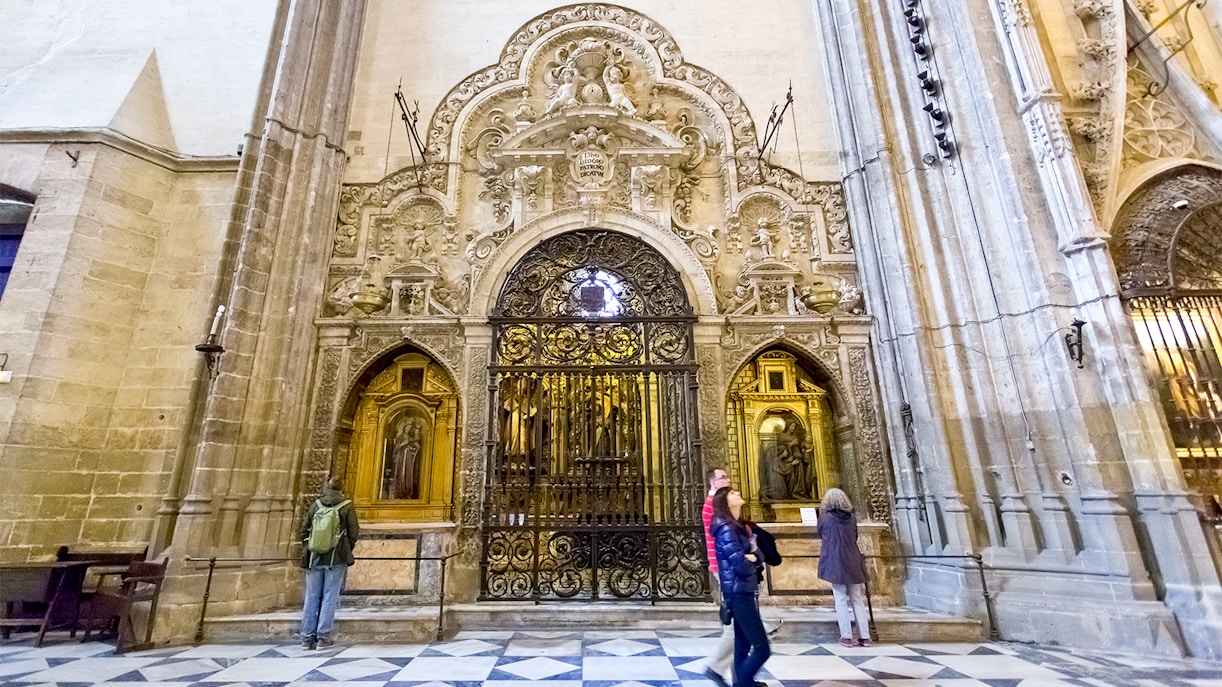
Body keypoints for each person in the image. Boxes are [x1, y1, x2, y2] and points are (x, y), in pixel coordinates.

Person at [711, 486, 771, 687]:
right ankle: (744, 682)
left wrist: (752, 558)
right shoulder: (727, 529)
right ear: (726, 502)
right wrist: (751, 559)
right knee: (762, 648)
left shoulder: (737, 526)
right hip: (739, 592)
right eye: (733, 493)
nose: (738, 494)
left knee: (742, 644)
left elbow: (759, 554)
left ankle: (743, 682)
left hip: (742, 589)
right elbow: (742, 566)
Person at [299, 476, 360, 649]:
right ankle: (323, 638)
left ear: (327, 486)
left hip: (314, 557)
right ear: (343, 488)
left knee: (311, 596)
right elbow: (354, 532)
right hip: (336, 558)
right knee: (329, 597)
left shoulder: (316, 504)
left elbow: (303, 530)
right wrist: (345, 547)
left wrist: (312, 547)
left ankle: (306, 638)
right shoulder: (346, 506)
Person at [816, 487, 870, 647]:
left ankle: (846, 636)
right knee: (857, 599)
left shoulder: (824, 518)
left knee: (840, 598)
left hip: (834, 559)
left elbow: (821, 534)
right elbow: (855, 536)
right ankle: (864, 636)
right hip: (852, 558)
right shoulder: (852, 518)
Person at [702, 468, 733, 687]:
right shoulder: (714, 506)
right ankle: (716, 667)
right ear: (713, 483)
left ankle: (741, 675)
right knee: (735, 623)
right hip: (725, 567)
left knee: (734, 621)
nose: (728, 481)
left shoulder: (717, 504)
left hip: (726, 566)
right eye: (723, 478)